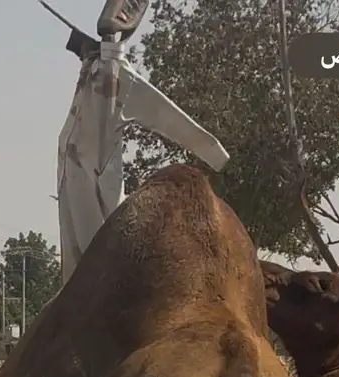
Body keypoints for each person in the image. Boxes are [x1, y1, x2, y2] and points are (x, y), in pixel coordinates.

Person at [55, 0, 229, 280]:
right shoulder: (91, 69)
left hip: (99, 185)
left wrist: (214, 153)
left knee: (101, 258)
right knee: (75, 270)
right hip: (72, 181)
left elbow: (168, 116)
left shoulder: (121, 76)